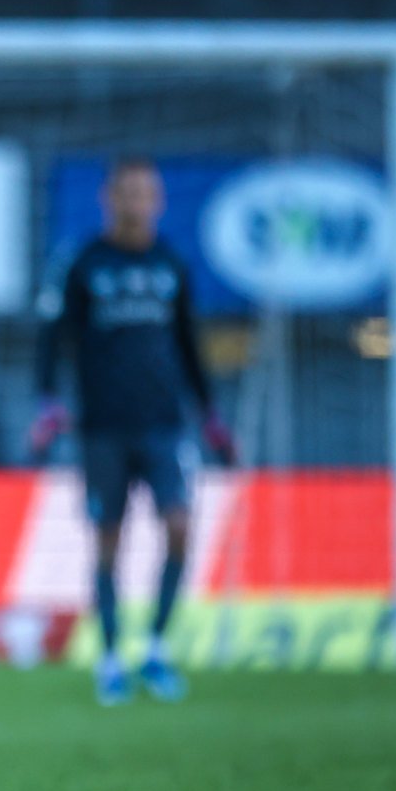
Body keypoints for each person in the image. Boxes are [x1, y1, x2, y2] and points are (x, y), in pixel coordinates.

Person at [31, 156, 237, 706]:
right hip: (102, 428)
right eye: (126, 193)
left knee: (178, 528)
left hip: (164, 425)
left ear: (159, 202)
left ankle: (157, 650)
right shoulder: (83, 264)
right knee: (107, 541)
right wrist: (47, 402)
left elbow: (189, 344)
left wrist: (211, 414)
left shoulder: (171, 265)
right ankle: (110, 657)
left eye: (146, 193)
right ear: (109, 199)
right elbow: (52, 337)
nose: (136, 202)